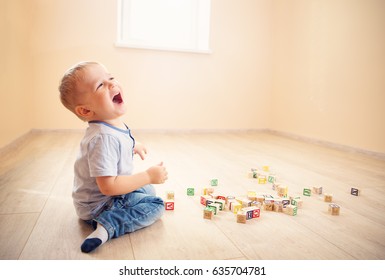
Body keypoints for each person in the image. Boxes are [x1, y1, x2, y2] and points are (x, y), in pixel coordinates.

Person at [59, 61, 168, 253]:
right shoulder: (102, 138)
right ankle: (108, 226)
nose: (111, 84)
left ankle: (115, 214)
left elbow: (120, 141)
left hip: (105, 197)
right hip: (100, 205)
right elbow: (108, 187)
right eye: (100, 85)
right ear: (85, 110)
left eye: (110, 77)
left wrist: (134, 145)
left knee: (148, 190)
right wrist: (148, 175)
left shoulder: (110, 125)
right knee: (156, 205)